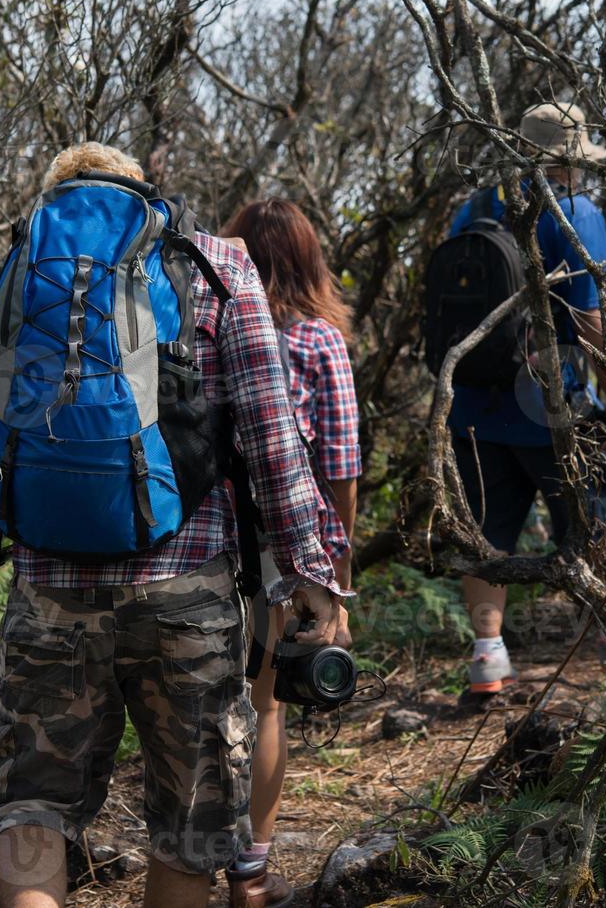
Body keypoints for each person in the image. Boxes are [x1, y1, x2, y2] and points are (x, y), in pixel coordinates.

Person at [0, 143, 346, 908]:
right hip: (186, 587)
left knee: (31, 801)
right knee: (190, 820)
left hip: (49, 586)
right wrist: (310, 573)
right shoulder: (214, 264)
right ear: (144, 194)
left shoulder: (26, 262)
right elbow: (269, 432)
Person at [446, 102, 606, 701]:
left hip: (474, 404)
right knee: (596, 520)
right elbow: (594, 315)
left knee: (487, 535)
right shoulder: (574, 212)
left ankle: (488, 658)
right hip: (553, 406)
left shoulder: (473, 209)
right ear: (569, 161)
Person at [220, 198, 362, 908]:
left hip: (198, 537)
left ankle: (189, 854)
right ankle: (248, 876)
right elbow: (339, 468)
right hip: (281, 546)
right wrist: (336, 579)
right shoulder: (316, 342)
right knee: (265, 706)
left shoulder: (204, 321)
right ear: (309, 261)